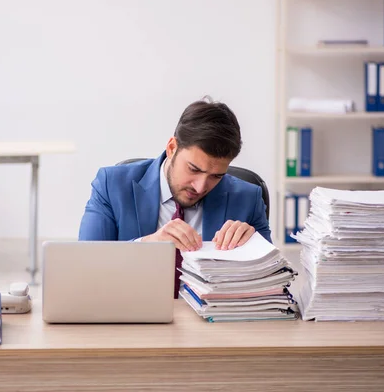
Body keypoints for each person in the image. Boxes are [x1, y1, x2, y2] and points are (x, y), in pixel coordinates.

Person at [78, 97, 271, 296]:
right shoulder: (112, 185)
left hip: (210, 323)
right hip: (130, 317)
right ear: (172, 148)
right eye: (193, 169)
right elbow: (85, 266)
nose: (201, 186)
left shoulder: (248, 198)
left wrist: (253, 247)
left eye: (216, 176)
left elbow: (271, 287)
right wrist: (147, 246)